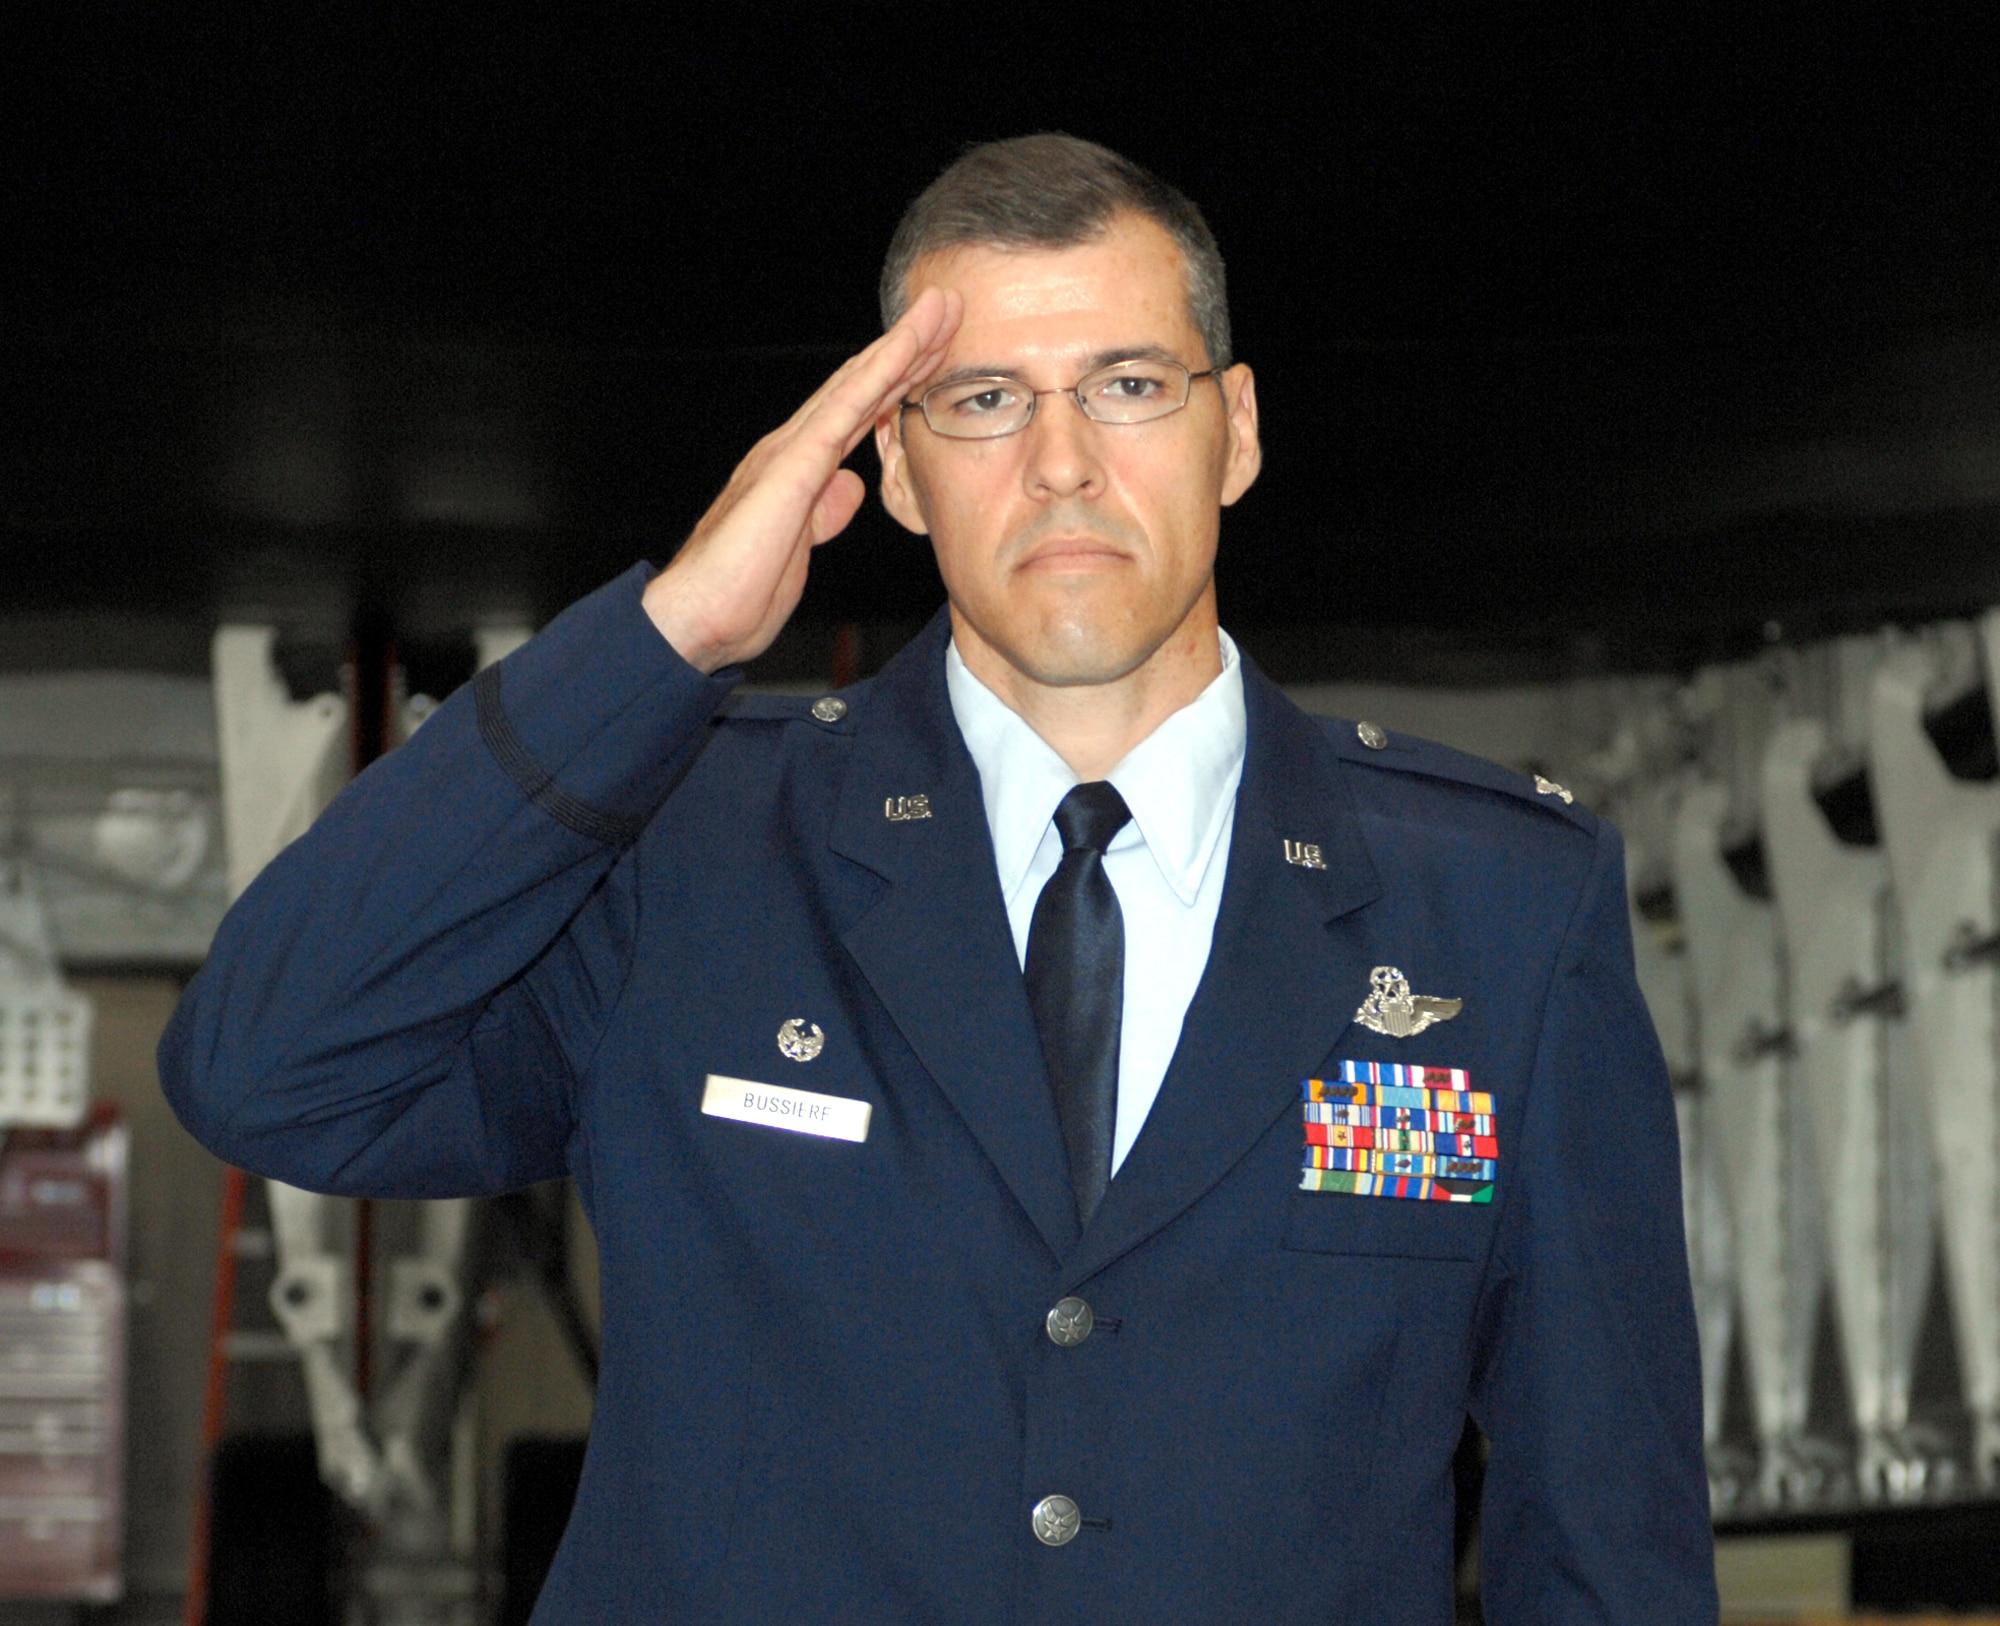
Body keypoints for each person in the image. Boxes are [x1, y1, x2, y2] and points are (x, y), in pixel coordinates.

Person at [162, 134, 1716, 1623]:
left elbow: (1608, 1539)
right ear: (895, 468)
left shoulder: (1501, 910)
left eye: (1126, 384)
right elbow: (264, 1071)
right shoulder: (684, 851)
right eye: (983, 400)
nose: (1061, 464)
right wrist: (666, 643)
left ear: (1234, 429)